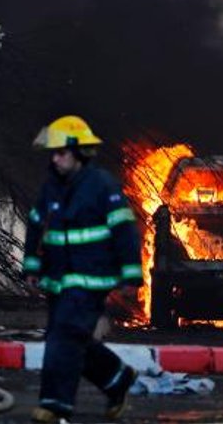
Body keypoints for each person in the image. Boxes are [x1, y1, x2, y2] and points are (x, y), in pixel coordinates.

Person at [24, 115, 143, 423]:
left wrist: (132, 274)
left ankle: (55, 406)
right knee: (72, 336)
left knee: (63, 336)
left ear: (78, 152)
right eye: (53, 153)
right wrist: (32, 266)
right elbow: (37, 227)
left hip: (91, 279)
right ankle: (118, 378)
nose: (55, 158)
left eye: (61, 152)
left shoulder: (102, 186)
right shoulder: (51, 188)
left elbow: (124, 231)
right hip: (58, 279)